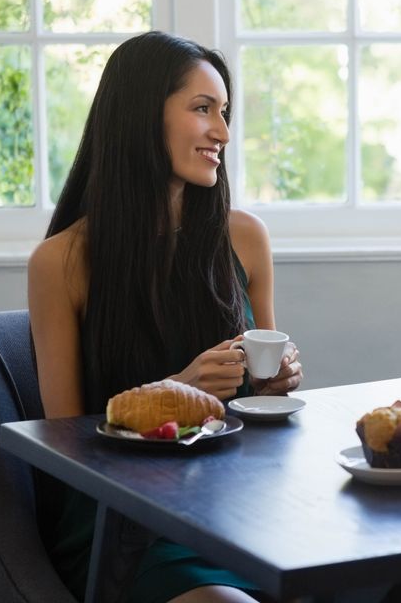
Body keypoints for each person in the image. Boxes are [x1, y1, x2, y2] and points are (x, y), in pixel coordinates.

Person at [28, 30, 302, 603]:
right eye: (203, 109)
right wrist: (176, 390)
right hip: (132, 527)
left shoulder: (245, 238)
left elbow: (263, 411)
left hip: (241, 504)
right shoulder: (61, 263)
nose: (223, 133)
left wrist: (275, 383)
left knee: (385, 566)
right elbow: (63, 444)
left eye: (224, 113)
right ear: (140, 117)